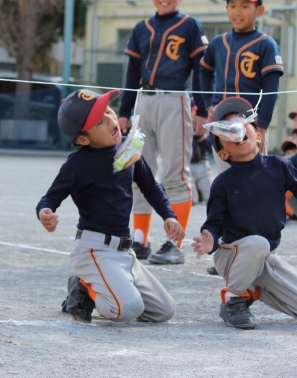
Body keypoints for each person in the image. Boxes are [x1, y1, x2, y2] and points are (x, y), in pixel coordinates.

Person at [191, 97, 297, 329]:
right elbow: (214, 223)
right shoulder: (222, 182)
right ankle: (233, 299)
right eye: (227, 132)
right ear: (223, 154)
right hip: (232, 256)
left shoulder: (279, 166)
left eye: (242, 125)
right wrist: (209, 239)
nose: (237, 131)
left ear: (258, 136)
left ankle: (252, 291)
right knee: (258, 243)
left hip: (264, 257)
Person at [37, 89, 184, 323]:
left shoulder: (128, 149)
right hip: (94, 250)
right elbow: (50, 198)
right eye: (99, 121)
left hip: (125, 252)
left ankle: (108, 284)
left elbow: (151, 187)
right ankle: (83, 287)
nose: (110, 119)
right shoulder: (77, 164)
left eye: (108, 110)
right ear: (83, 139)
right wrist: (44, 212)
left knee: (163, 311)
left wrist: (169, 215)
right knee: (125, 310)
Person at [118, 0, 209, 264]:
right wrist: (124, 110)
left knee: (175, 174)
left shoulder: (189, 25)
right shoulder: (142, 27)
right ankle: (140, 238)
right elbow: (132, 72)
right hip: (143, 100)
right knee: (138, 169)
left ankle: (174, 243)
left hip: (175, 99)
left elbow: (201, 70)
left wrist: (202, 109)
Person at [200, 0, 284, 175]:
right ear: (226, 8)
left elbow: (271, 91)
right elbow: (204, 72)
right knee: (224, 178)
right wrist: (208, 104)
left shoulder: (266, 43)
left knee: (254, 180)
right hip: (221, 120)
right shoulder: (217, 42)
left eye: (245, 6)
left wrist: (262, 128)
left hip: (250, 123)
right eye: (233, 6)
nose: (237, 12)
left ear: (259, 10)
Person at [190, 104, 214, 204]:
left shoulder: (204, 123)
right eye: (193, 110)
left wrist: (198, 133)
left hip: (202, 163)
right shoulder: (182, 122)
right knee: (191, 200)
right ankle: (196, 193)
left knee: (212, 197)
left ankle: (200, 191)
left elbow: (207, 145)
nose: (195, 112)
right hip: (186, 164)